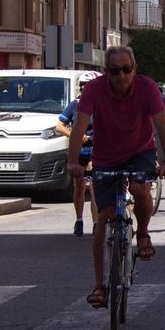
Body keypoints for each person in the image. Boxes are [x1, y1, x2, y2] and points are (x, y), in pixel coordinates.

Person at [66, 46, 165, 308]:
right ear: (106, 72)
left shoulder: (147, 88)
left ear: (134, 69)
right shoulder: (94, 90)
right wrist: (73, 161)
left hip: (140, 151)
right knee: (103, 219)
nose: (121, 76)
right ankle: (99, 285)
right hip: (106, 155)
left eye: (127, 69)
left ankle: (144, 233)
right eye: (115, 71)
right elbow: (79, 125)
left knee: (140, 189)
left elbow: (161, 125)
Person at [57, 70, 101, 236]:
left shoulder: (101, 105)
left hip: (96, 151)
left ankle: (96, 223)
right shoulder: (75, 105)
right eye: (82, 86)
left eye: (88, 86)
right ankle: (79, 220)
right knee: (80, 187)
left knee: (95, 188)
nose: (84, 89)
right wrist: (75, 135)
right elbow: (59, 125)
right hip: (79, 151)